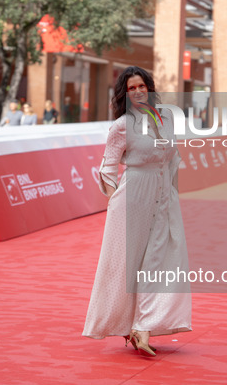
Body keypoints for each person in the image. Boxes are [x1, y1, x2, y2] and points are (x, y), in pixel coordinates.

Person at [82, 66, 191, 356]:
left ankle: (144, 324)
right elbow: (107, 167)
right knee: (128, 266)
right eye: (131, 88)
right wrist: (116, 198)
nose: (138, 91)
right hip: (133, 200)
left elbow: (172, 158)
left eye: (141, 85)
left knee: (162, 259)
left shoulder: (166, 117)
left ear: (149, 87)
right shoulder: (121, 126)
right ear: (125, 94)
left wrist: (173, 193)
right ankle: (133, 326)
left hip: (164, 196)